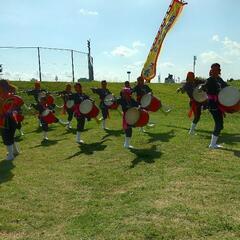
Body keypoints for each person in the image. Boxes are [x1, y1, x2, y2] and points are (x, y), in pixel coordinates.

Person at [201, 63, 228, 148]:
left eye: (217, 69)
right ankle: (212, 144)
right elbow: (203, 87)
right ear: (211, 71)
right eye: (214, 69)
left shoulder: (219, 79)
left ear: (219, 71)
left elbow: (226, 87)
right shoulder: (209, 80)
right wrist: (201, 87)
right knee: (219, 123)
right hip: (212, 104)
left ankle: (213, 144)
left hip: (219, 103)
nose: (216, 71)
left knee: (220, 124)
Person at [0, 80, 21, 160]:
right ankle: (15, 151)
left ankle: (11, 155)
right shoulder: (11, 94)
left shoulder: (4, 96)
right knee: (11, 136)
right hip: (13, 118)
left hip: (5, 119)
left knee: (6, 136)